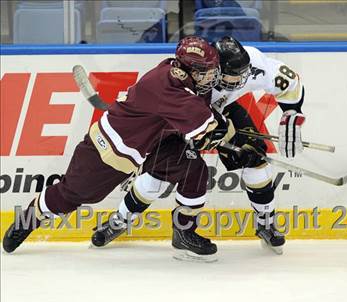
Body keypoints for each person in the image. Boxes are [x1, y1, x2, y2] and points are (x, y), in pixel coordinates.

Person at [2, 36, 225, 261]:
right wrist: (217, 130)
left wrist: (213, 129)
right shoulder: (167, 86)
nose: (212, 75)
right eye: (208, 70)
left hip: (153, 144)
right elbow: (202, 123)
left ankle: (184, 233)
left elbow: (195, 114)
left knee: (193, 170)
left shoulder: (177, 72)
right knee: (72, 195)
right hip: (108, 151)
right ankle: (28, 220)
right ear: (192, 69)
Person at [92, 36, 305, 255]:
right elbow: (179, 110)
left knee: (256, 160)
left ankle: (265, 223)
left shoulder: (254, 64)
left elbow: (290, 83)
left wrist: (292, 112)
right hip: (181, 118)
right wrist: (218, 135)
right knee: (159, 176)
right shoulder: (192, 76)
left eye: (241, 77)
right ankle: (120, 220)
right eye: (230, 78)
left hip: (222, 111)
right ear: (213, 70)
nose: (237, 83)